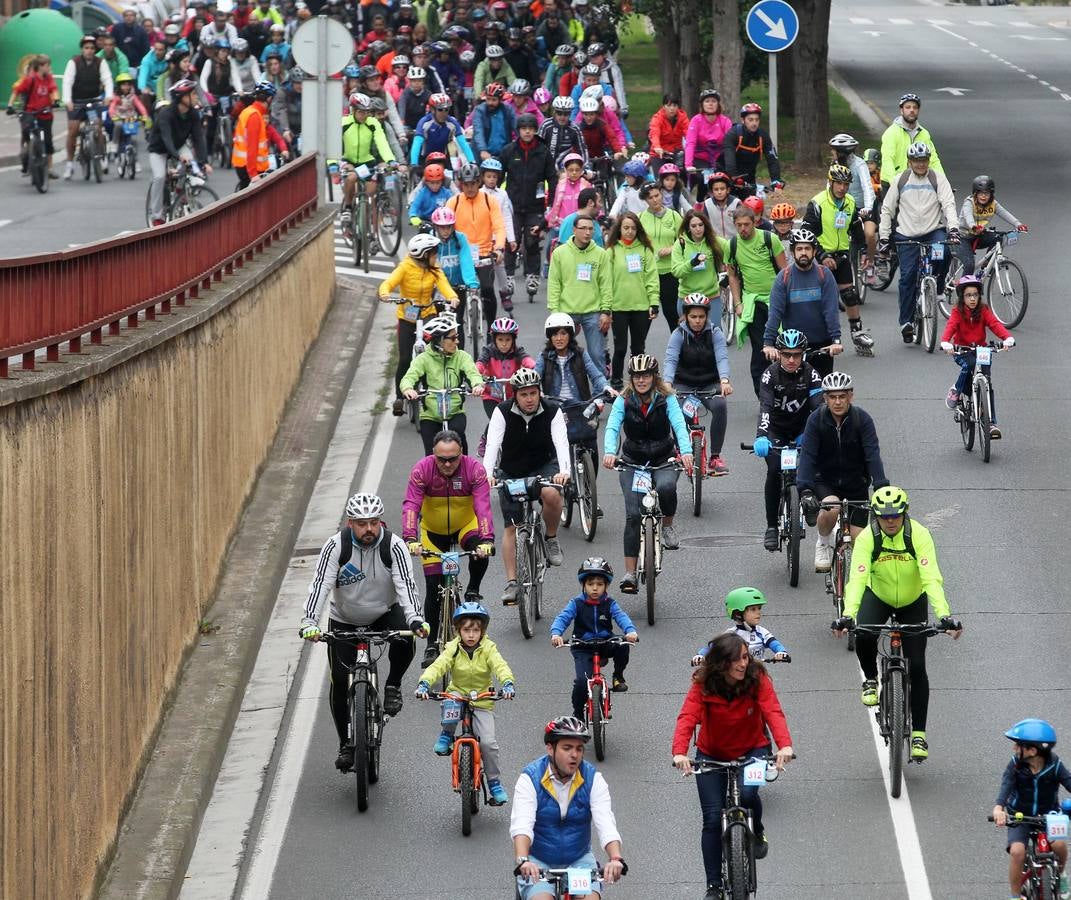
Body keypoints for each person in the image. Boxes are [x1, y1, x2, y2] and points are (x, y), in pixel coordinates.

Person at [299, 492, 427, 771]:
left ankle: (393, 684)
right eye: (361, 523)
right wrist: (309, 622)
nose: (368, 529)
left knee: (406, 635)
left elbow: (407, 584)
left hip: (383, 612)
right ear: (350, 523)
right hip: (344, 618)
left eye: (373, 523)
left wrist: (416, 618)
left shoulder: (393, 546)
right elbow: (320, 585)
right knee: (338, 679)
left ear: (380, 521)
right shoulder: (335, 547)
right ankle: (346, 743)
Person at [834, 487, 962, 761]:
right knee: (865, 634)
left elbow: (931, 578)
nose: (890, 521)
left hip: (912, 600)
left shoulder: (919, 535)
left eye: (896, 515)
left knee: (917, 665)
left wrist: (944, 615)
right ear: (877, 517)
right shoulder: (869, 538)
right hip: (878, 595)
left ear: (904, 513)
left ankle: (919, 734)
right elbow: (856, 580)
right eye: (883, 517)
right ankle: (870, 679)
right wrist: (848, 614)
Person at [672, 632, 795, 900]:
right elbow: (687, 717)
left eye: (745, 657)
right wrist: (680, 753)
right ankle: (714, 886)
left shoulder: (757, 677)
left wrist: (784, 745)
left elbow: (773, 711)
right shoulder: (703, 684)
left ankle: (758, 831)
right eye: (737, 659)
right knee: (712, 819)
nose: (743, 663)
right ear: (720, 663)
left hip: (753, 748)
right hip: (711, 753)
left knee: (749, 794)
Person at [511, 716, 628, 900]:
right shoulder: (530, 779)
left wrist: (615, 858)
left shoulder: (593, 779)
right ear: (550, 748)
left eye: (579, 749)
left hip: (578, 860)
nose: (574, 755)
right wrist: (523, 860)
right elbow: (522, 825)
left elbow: (606, 823)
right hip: (539, 861)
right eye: (567, 748)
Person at [602, 354, 693, 591]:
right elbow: (612, 426)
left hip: (664, 458)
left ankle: (668, 525)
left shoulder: (667, 399)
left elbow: (679, 426)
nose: (641, 380)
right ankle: (630, 573)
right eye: (637, 376)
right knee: (633, 515)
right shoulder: (624, 399)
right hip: (633, 462)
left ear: (654, 377)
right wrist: (610, 452)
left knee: (666, 487)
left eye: (646, 375)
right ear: (631, 379)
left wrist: (686, 452)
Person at [482, 367, 571, 603]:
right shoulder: (502, 412)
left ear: (539, 392)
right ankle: (512, 583)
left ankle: (551, 537)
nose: (529, 399)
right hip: (511, 470)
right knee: (512, 527)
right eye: (524, 394)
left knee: (552, 495)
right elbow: (492, 445)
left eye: (533, 393)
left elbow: (561, 443)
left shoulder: (552, 410)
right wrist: (488, 474)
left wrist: (564, 472)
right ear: (515, 395)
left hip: (544, 466)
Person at [415, 601, 515, 806]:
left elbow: (500, 665)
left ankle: (494, 782)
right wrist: (425, 683)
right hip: (458, 694)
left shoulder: (488, 648)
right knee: (450, 706)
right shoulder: (453, 648)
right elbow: (439, 665)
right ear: (458, 630)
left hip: (482, 699)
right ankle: (447, 734)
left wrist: (507, 683)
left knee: (488, 743)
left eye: (476, 630)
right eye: (466, 630)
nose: (471, 635)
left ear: (482, 631)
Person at [797, 372, 888, 573]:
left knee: (860, 542)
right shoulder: (816, 420)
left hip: (855, 482)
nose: (837, 402)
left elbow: (872, 453)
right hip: (825, 481)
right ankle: (823, 544)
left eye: (842, 396)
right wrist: (805, 489)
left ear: (850, 396)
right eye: (832, 397)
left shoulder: (862, 419)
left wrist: (881, 485)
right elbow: (808, 455)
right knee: (831, 507)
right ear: (825, 398)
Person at [878, 142, 960, 343]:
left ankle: (938, 288)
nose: (921, 164)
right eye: (916, 161)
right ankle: (906, 322)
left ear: (928, 160)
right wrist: (883, 237)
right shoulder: (901, 180)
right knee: (907, 277)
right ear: (909, 162)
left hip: (933, 232)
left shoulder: (938, 179)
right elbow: (887, 210)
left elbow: (948, 204)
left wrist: (954, 229)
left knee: (945, 252)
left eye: (923, 160)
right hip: (906, 235)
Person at [752, 329, 823, 550]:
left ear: (803, 354)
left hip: (803, 429)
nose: (791, 360)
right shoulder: (769, 375)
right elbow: (765, 408)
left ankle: (810, 500)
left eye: (796, 354)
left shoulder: (811, 374)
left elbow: (819, 409)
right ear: (779, 354)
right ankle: (771, 526)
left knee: (813, 465)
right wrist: (762, 436)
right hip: (776, 430)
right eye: (786, 354)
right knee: (774, 470)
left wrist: (819, 436)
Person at [379, 234, 461, 415]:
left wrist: (452, 297)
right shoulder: (405, 267)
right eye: (433, 253)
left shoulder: (434, 269)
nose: (436, 256)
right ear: (423, 255)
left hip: (427, 315)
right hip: (407, 318)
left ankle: (438, 386)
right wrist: (385, 293)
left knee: (435, 353)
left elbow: (444, 285)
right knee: (405, 359)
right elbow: (389, 283)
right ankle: (400, 397)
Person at [802, 163, 875, 356]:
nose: (842, 188)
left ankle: (857, 332)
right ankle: (815, 336)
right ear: (831, 183)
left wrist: (865, 252)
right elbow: (806, 234)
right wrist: (822, 256)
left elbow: (856, 231)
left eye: (846, 184)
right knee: (818, 300)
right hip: (820, 257)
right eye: (838, 184)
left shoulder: (850, 202)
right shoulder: (818, 203)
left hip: (841, 255)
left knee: (850, 295)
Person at [993, 720, 1071, 900]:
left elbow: (1068, 782)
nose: (1014, 749)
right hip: (1020, 816)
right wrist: (999, 809)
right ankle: (1014, 896)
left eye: (1018, 746)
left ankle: (1061, 875)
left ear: (1032, 751)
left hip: (1049, 815)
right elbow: (1006, 786)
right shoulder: (1015, 765)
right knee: (1017, 852)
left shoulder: (1055, 765)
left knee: (1059, 845)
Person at [551, 558, 638, 710]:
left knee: (623, 645)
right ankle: (578, 713)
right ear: (583, 585)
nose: (595, 588)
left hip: (605, 642)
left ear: (606, 586)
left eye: (600, 584)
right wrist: (556, 634)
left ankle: (618, 676)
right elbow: (563, 618)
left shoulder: (610, 603)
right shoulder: (576, 603)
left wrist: (630, 631)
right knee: (580, 683)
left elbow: (621, 616)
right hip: (583, 646)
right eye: (590, 584)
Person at [663, 294, 731, 476]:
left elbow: (722, 357)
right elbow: (670, 360)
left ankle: (715, 457)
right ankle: (680, 450)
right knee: (677, 410)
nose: (697, 321)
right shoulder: (678, 334)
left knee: (720, 405)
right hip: (683, 384)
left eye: (701, 317)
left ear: (707, 316)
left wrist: (724, 380)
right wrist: (667, 383)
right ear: (685, 316)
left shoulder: (715, 332)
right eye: (693, 317)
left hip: (710, 383)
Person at [940, 274, 1015, 438]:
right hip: (962, 350)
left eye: (975, 295)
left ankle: (991, 422)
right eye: (968, 295)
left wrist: (1007, 338)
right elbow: (950, 327)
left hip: (982, 351)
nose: (972, 299)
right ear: (962, 297)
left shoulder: (984, 310)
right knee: (968, 365)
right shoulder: (957, 312)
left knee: (987, 384)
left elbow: (995, 325)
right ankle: (957, 390)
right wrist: (946, 342)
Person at [723, 205, 786, 396]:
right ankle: (763, 396)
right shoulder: (731, 245)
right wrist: (738, 303)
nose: (743, 229)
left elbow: (785, 272)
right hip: (753, 302)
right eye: (739, 225)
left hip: (776, 301)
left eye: (747, 224)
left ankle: (785, 391)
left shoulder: (770, 239)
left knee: (784, 346)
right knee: (761, 351)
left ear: (755, 222)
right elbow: (732, 276)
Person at [400, 314, 486, 454]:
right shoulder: (423, 359)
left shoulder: (462, 356)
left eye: (457, 337)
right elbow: (409, 377)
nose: (457, 341)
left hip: (455, 412)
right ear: (439, 340)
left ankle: (464, 471)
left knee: (458, 438)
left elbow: (473, 373)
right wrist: (408, 389)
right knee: (431, 452)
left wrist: (477, 385)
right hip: (430, 415)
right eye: (452, 338)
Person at [763, 229, 843, 379]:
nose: (803, 252)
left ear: (814, 252)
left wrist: (836, 340)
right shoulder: (784, 277)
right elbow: (775, 313)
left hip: (821, 345)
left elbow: (831, 310)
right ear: (793, 252)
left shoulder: (824, 275)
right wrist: (768, 343)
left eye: (807, 248)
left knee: (822, 392)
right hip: (792, 347)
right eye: (799, 249)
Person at [546, 212, 613, 373]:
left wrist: (606, 311)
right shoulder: (560, 253)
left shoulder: (601, 254)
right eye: (583, 228)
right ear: (574, 230)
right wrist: (555, 312)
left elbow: (606, 284)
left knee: (597, 354)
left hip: (593, 311)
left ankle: (602, 390)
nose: (587, 232)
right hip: (567, 311)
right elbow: (554, 283)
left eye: (591, 229)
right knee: (562, 353)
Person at [500, 112, 556, 300]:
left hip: (535, 205)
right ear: (518, 131)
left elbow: (552, 178)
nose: (527, 132)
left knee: (532, 241)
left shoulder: (543, 151)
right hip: (512, 205)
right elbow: (499, 175)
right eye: (524, 129)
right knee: (511, 241)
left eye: (530, 129)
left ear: (535, 130)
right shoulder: (509, 151)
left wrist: (552, 205)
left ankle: (532, 276)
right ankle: (508, 277)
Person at [446, 162, 508, 326]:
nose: (470, 188)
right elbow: (445, 229)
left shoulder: (490, 201)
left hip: (484, 253)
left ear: (479, 182)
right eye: (466, 184)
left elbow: (499, 226)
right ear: (461, 184)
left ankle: (491, 330)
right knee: (457, 299)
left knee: (487, 289)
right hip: (461, 255)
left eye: (473, 183)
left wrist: (499, 248)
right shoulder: (454, 202)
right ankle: (457, 336)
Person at [605, 213, 659, 389]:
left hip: (641, 308)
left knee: (638, 349)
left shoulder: (645, 250)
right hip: (618, 307)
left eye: (633, 228)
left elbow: (652, 278)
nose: (630, 231)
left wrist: (654, 303)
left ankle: (638, 382)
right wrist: (606, 308)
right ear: (619, 229)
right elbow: (606, 281)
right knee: (620, 348)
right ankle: (616, 383)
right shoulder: (611, 251)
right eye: (626, 228)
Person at [146, 79, 211, 226]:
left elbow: (198, 139)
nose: (196, 97)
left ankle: (181, 190)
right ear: (182, 97)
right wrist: (178, 156)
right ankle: (157, 216)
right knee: (159, 177)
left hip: (179, 146)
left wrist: (204, 161)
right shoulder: (166, 115)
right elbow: (166, 140)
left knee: (190, 164)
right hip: (159, 149)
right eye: (193, 94)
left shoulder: (193, 114)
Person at [339, 91, 396, 233]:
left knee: (371, 194)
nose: (365, 116)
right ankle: (347, 208)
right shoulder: (344, 123)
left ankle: (370, 234)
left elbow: (382, 143)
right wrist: (335, 163)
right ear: (353, 110)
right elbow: (333, 144)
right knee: (351, 178)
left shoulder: (373, 123)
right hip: (348, 161)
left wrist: (390, 160)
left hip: (366, 162)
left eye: (367, 112)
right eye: (361, 112)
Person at [691, 587, 789, 665]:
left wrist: (781, 652)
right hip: (736, 677)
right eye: (753, 609)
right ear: (738, 613)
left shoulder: (761, 632)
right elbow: (712, 648)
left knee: (767, 688)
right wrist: (700, 655)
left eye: (759, 608)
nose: (758, 612)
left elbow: (775, 644)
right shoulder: (731, 634)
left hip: (757, 675)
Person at [62, 34, 114, 180]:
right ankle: (69, 165)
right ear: (82, 49)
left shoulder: (101, 62)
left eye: (92, 48)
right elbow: (67, 82)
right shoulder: (74, 62)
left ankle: (101, 157)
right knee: (73, 130)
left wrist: (108, 96)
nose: (89, 51)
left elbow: (107, 79)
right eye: (86, 48)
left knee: (98, 127)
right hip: (76, 102)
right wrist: (67, 100)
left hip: (94, 101)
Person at [829, 133, 878, 282]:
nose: (832, 153)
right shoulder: (834, 165)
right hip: (844, 208)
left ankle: (870, 262)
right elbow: (828, 188)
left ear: (843, 152)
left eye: (834, 151)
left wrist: (868, 208)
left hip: (863, 207)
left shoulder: (859, 164)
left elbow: (868, 188)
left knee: (869, 234)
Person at [958, 175, 1028, 275]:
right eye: (980, 193)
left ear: (991, 194)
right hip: (963, 236)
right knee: (969, 265)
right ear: (975, 193)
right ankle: (964, 289)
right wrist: (974, 226)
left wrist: (1018, 224)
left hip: (979, 234)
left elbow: (1005, 214)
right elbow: (968, 216)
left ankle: (986, 265)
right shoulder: (969, 202)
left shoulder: (993, 204)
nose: (983, 196)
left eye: (987, 193)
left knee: (998, 238)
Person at [8, 55, 59, 180]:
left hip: (45, 113)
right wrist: (10, 105)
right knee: (27, 135)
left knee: (48, 141)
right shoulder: (30, 79)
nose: (49, 68)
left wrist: (56, 100)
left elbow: (54, 90)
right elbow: (17, 91)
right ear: (41, 67)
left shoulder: (49, 78)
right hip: (30, 112)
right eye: (47, 65)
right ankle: (27, 156)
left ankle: (50, 168)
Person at [671, 209, 725, 322]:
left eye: (701, 225)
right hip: (687, 297)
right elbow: (676, 271)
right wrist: (692, 263)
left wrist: (730, 274)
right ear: (688, 228)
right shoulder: (681, 244)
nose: (698, 229)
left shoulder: (714, 241)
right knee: (689, 336)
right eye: (694, 226)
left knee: (713, 332)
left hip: (711, 296)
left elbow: (733, 250)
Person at [878, 92, 943, 186]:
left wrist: (942, 182)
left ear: (918, 110)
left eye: (915, 107)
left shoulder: (924, 133)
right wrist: (895, 183)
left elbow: (933, 160)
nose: (912, 110)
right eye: (908, 107)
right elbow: (888, 159)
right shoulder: (891, 133)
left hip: (918, 182)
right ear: (901, 110)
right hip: (892, 183)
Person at [721, 103, 784, 198]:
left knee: (751, 208)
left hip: (749, 177)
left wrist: (776, 180)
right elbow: (729, 161)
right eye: (750, 120)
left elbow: (772, 160)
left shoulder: (763, 136)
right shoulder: (733, 134)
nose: (754, 123)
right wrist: (734, 177)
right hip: (727, 175)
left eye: (757, 120)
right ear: (743, 120)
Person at [683, 89, 732, 200]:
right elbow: (690, 143)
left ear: (718, 104)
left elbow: (730, 145)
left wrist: (730, 165)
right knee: (704, 180)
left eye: (713, 101)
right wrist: (688, 165)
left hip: (719, 160)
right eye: (707, 101)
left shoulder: (725, 121)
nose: (710, 104)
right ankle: (699, 203)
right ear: (702, 104)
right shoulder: (696, 120)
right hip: (700, 159)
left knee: (724, 181)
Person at [231, 80, 274, 189]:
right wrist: (253, 174)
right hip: (249, 168)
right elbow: (252, 147)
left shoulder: (250, 111)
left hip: (244, 165)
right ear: (269, 99)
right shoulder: (254, 116)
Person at [538, 95, 586, 167]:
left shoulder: (575, 129)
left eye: (566, 114)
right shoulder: (546, 125)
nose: (562, 117)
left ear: (570, 114)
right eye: (559, 113)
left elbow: (582, 149)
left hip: (565, 166)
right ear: (554, 112)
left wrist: (585, 167)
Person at [648, 93, 689, 168]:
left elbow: (689, 134)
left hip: (677, 152)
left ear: (678, 107)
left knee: (683, 171)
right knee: (659, 177)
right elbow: (654, 133)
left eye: (674, 106)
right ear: (663, 106)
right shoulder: (657, 118)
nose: (672, 108)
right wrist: (657, 147)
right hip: (660, 153)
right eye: (669, 105)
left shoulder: (683, 117)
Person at [700, 171, 742, 240]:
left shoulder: (736, 203)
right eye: (716, 189)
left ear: (728, 190)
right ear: (712, 192)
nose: (719, 192)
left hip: (735, 242)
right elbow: (704, 224)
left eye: (722, 189)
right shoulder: (707, 204)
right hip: (715, 243)